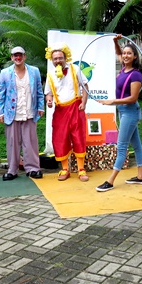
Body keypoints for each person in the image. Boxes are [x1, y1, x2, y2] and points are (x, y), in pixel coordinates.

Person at [95, 35, 142, 192]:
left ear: (135, 56)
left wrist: (112, 101)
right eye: (124, 53)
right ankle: (141, 177)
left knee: (121, 146)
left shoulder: (135, 74)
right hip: (124, 111)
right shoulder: (124, 68)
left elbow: (133, 98)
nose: (125, 56)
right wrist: (115, 42)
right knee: (137, 145)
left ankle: (110, 181)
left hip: (130, 112)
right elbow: (118, 53)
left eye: (129, 53)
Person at [0, 46, 45, 181]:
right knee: (12, 143)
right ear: (12, 57)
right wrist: (0, 113)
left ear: (24, 57)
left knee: (30, 142)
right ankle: (12, 170)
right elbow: (0, 95)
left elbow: (39, 91)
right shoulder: (5, 73)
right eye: (15, 55)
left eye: (20, 55)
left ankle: (33, 169)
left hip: (29, 111)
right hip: (12, 113)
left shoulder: (34, 71)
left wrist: (41, 107)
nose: (18, 58)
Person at [44, 43, 89, 182]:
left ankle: (81, 169)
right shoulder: (50, 75)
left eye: (60, 58)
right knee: (60, 138)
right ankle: (65, 169)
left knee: (78, 136)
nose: (58, 60)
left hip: (75, 107)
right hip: (60, 110)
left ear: (65, 58)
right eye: (55, 58)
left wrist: (84, 102)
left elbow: (85, 86)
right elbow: (48, 93)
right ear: (52, 60)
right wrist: (49, 100)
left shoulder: (75, 69)